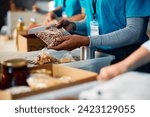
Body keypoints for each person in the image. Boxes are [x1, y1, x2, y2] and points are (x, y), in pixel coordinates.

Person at [48, 0, 150, 72]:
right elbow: (93, 21)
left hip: (129, 57)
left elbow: (134, 31)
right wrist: (74, 26)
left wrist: (87, 41)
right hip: (99, 55)